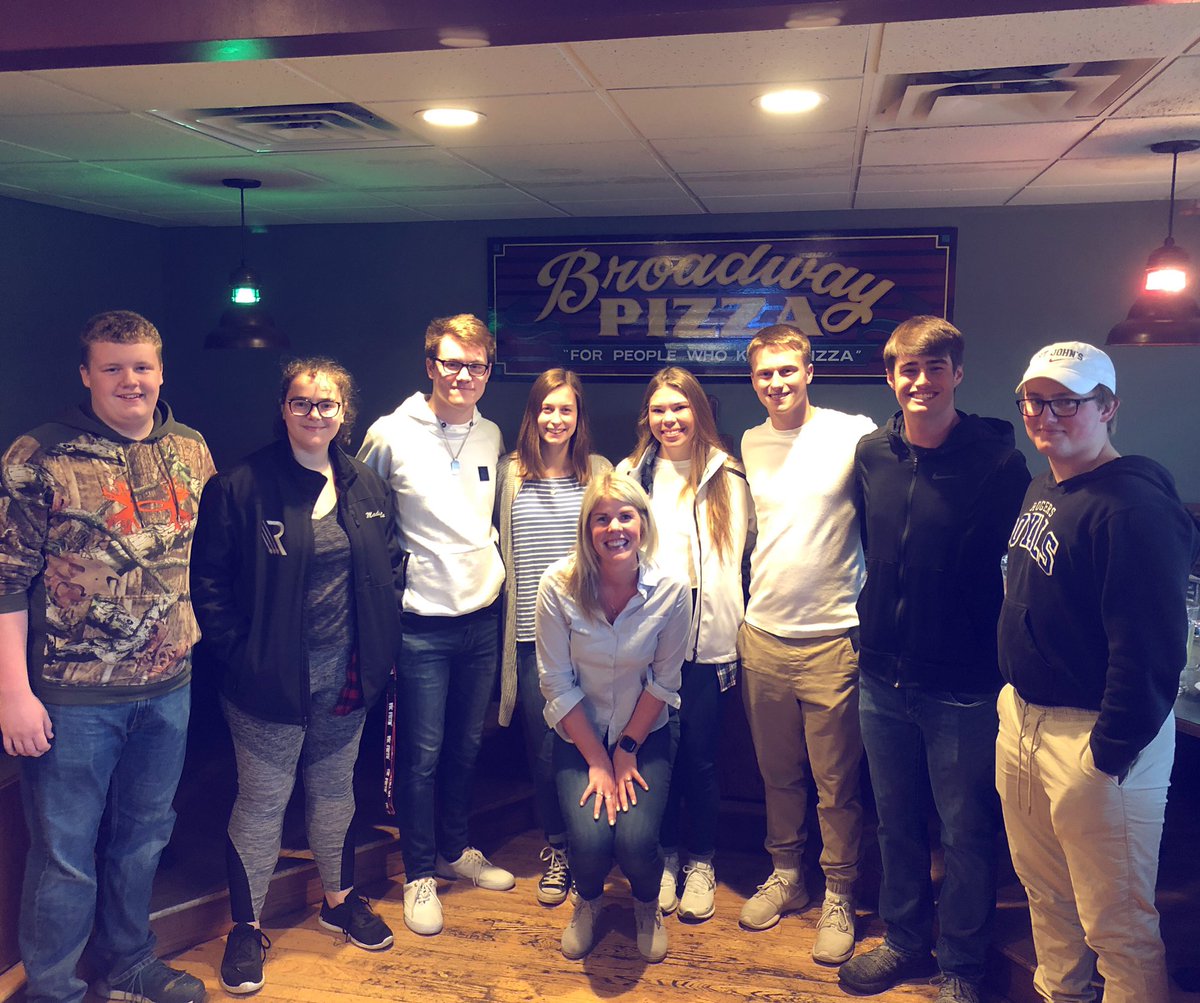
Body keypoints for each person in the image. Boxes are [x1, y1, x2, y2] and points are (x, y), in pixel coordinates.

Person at [0, 310, 213, 1003]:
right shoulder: (40, 455)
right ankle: (52, 989)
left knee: (144, 838)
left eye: (143, 366)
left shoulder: (190, 448)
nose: (131, 380)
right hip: (72, 695)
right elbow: (5, 580)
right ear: (86, 373)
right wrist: (13, 694)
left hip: (168, 685)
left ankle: (127, 962)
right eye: (114, 367)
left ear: (161, 370)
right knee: (65, 857)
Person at [190, 358, 404, 994]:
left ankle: (338, 902)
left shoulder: (365, 485)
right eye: (302, 403)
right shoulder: (241, 486)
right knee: (262, 801)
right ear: (283, 408)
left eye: (327, 404)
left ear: (345, 412)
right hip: (268, 679)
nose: (315, 415)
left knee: (336, 792)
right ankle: (246, 927)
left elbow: (390, 567)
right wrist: (243, 654)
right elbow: (209, 586)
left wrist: (382, 640)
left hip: (347, 673)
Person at [996, 342, 1199, 1003]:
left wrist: (1107, 753)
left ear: (1109, 407)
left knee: (1117, 924)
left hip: (1095, 740)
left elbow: (1151, 652)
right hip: (1025, 720)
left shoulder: (1134, 508)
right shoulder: (1045, 481)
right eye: (1034, 399)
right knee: (1047, 896)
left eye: (1067, 401)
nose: (1044, 414)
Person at [841, 317, 1030, 1003]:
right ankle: (904, 938)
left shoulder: (999, 461)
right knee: (893, 819)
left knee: (965, 827)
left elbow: (1029, 556)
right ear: (890, 376)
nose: (919, 380)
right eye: (906, 368)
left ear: (957, 372)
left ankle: (962, 964)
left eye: (934, 367)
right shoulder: (871, 454)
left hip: (964, 683)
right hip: (882, 676)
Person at [357, 314, 513, 937]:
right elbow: (362, 514)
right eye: (451, 363)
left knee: (466, 745)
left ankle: (453, 851)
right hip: (421, 624)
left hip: (482, 616)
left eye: (475, 366)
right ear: (430, 365)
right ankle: (419, 870)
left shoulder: (491, 432)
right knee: (419, 756)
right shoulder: (390, 433)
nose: (463, 376)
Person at [738, 323, 875, 964]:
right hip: (762, 634)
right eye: (764, 374)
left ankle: (839, 892)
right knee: (778, 774)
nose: (776, 384)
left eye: (786, 371)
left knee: (836, 781)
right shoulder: (751, 440)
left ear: (809, 371)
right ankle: (788, 876)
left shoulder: (852, 432)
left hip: (832, 638)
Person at [536, 471, 690, 963]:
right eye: (600, 519)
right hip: (579, 734)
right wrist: (598, 761)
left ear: (643, 522)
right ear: (587, 529)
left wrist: (625, 750)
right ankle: (589, 900)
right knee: (587, 838)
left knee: (637, 838)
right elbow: (556, 683)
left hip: (644, 732)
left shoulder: (671, 587)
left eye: (625, 515)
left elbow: (664, 682)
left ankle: (648, 906)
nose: (614, 528)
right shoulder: (557, 585)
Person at [617, 366, 751, 923]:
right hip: (646, 645)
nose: (669, 419)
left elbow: (741, 561)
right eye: (659, 409)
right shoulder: (630, 475)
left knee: (698, 758)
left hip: (708, 644)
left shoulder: (728, 476)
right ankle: (664, 855)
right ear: (646, 417)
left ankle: (701, 860)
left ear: (700, 411)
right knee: (656, 755)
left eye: (680, 408)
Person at [496, 369, 611, 907]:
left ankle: (600, 848)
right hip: (528, 640)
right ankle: (560, 849)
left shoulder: (599, 473)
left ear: (578, 415)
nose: (556, 419)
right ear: (533, 413)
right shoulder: (509, 474)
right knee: (545, 753)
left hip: (591, 635)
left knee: (597, 743)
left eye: (566, 410)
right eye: (547, 409)